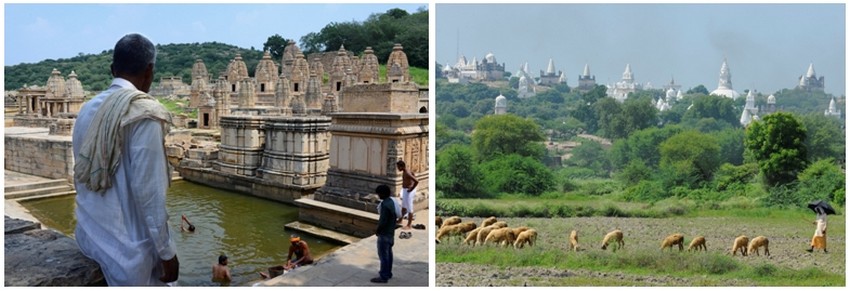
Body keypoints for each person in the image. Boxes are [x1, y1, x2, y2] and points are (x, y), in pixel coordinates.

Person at [71, 33, 178, 285]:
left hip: (89, 237)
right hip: (128, 253)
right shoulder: (144, 112)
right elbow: (150, 194)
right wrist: (167, 253)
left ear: (112, 69)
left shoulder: (87, 110)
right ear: (149, 71)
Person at [371, 184, 397, 283]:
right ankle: (388, 273)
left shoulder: (384, 205)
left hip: (384, 234)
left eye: (378, 194)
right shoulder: (391, 202)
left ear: (382, 194)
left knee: (383, 256)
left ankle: (383, 276)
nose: (378, 196)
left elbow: (383, 221)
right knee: (389, 254)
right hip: (390, 233)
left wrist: (377, 230)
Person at [396, 160, 419, 231]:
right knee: (403, 206)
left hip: (409, 191)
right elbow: (413, 174)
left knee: (409, 208)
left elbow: (416, 181)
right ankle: (400, 220)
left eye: (398, 167)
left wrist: (411, 188)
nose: (398, 169)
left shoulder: (407, 173)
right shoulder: (406, 171)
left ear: (401, 167)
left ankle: (409, 225)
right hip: (406, 190)